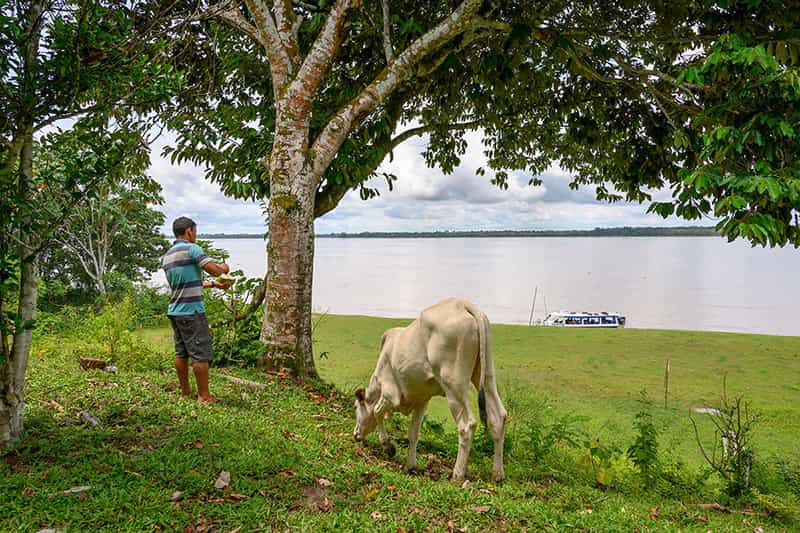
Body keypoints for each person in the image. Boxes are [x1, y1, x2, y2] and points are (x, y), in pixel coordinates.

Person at [160, 216, 231, 403]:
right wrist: (224, 267)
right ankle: (204, 396)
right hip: (192, 311)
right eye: (195, 232)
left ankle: (185, 392)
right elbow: (214, 269)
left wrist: (214, 285)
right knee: (200, 353)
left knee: (181, 352)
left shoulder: (167, 256)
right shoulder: (192, 248)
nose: (196, 236)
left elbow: (189, 282)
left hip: (175, 310)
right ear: (189, 231)